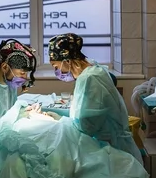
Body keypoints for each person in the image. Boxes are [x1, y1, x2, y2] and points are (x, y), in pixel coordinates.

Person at [48, 32, 143, 164]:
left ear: (67, 61)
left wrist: (59, 120)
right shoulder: (91, 69)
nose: (57, 72)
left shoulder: (91, 78)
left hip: (112, 151)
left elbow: (87, 126)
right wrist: (55, 113)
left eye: (56, 67)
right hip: (105, 143)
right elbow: (84, 113)